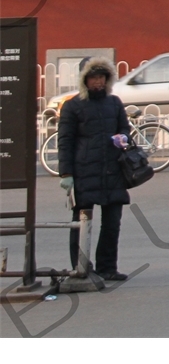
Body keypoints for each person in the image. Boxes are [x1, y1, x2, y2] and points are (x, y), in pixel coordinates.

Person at [56, 58, 132, 283]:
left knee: (112, 222)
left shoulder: (114, 103)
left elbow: (124, 129)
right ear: (84, 79)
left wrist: (123, 138)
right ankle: (80, 266)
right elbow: (65, 141)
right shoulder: (72, 106)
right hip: (84, 172)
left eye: (102, 77)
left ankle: (108, 267)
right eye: (93, 77)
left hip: (112, 170)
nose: (98, 82)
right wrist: (66, 174)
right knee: (81, 222)